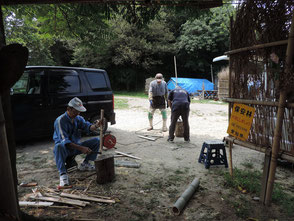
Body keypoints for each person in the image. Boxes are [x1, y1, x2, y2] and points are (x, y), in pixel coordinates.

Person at [53, 97, 103, 187]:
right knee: (58, 146)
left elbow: (88, 127)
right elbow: (66, 142)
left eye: (79, 111)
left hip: (76, 146)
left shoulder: (78, 118)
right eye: (76, 111)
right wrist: (81, 148)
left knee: (96, 141)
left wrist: (96, 125)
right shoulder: (60, 121)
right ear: (68, 109)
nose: (78, 113)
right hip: (65, 149)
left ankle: (86, 164)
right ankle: (63, 175)